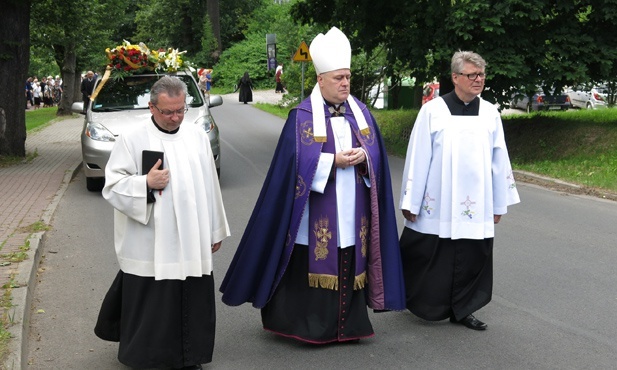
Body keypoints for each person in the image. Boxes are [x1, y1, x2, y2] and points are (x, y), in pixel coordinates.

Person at [220, 27, 405, 344]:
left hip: (353, 211)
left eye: (347, 77)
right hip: (313, 213)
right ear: (320, 80)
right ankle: (305, 327)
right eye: (338, 78)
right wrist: (333, 162)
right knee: (312, 260)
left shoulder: (361, 114)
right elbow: (291, 167)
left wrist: (364, 158)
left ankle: (347, 327)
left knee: (349, 256)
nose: (345, 83)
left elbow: (376, 158)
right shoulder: (301, 117)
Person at [94, 76, 230, 369]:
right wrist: (145, 182)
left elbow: (210, 186)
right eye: (168, 111)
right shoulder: (132, 139)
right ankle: (149, 357)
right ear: (151, 107)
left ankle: (189, 356)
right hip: (151, 238)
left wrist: (215, 229)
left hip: (192, 237)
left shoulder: (196, 136)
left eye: (180, 110)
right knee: (155, 302)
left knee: (191, 296)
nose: (175, 117)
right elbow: (112, 185)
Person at [398, 50, 520, 331]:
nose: (478, 80)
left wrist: (498, 204)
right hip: (437, 200)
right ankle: (421, 302)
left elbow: (499, 160)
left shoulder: (490, 113)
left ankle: (464, 309)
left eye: (481, 75)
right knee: (428, 253)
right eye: (472, 75)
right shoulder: (433, 112)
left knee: (472, 255)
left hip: (476, 203)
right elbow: (418, 157)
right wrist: (411, 201)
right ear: (455, 77)